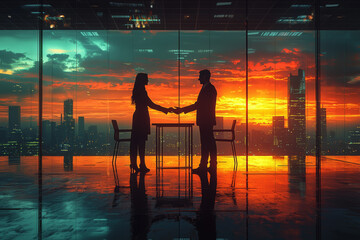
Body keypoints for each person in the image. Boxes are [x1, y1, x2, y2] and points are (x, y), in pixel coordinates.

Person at [173, 69, 217, 174]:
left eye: (200, 77)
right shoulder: (208, 88)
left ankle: (207, 165)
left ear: (205, 77)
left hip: (206, 120)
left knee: (208, 143)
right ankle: (207, 165)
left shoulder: (209, 89)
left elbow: (198, 105)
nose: (199, 79)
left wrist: (182, 110)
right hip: (206, 120)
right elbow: (199, 104)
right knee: (207, 143)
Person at [130, 73, 172, 173]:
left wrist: (164, 110)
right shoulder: (142, 91)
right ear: (142, 80)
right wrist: (165, 109)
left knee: (137, 142)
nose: (148, 80)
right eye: (146, 79)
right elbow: (151, 105)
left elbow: (150, 104)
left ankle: (135, 164)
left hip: (138, 117)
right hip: (142, 118)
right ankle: (141, 164)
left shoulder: (138, 90)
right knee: (141, 142)